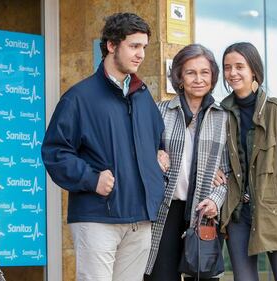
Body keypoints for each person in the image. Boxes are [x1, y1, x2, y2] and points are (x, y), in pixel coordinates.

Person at [41, 13, 165, 281]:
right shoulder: (78, 98)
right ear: (111, 45)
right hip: (97, 218)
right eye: (134, 46)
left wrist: (158, 159)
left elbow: (158, 139)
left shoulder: (144, 97)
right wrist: (91, 178)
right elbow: (55, 152)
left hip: (139, 220)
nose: (140, 54)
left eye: (144, 47)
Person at [215, 42, 277, 281]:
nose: (233, 73)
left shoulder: (276, 110)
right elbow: (214, 157)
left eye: (240, 66)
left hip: (275, 214)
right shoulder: (221, 113)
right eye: (228, 67)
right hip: (238, 214)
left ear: (254, 70)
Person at [144, 44, 231, 281]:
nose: (198, 79)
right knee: (159, 276)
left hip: (203, 211)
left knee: (203, 277)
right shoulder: (160, 111)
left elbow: (231, 173)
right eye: (191, 72)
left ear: (213, 77)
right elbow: (140, 150)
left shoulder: (223, 117)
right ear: (179, 77)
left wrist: (216, 199)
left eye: (205, 72)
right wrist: (155, 154)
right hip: (166, 210)